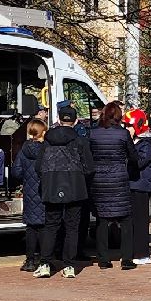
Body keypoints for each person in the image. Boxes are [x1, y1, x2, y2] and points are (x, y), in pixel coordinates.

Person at [37, 102, 94, 278]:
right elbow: (89, 167)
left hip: (51, 185)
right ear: (76, 120)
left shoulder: (47, 140)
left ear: (58, 120)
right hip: (75, 186)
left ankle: (45, 263)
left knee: (51, 226)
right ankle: (69, 265)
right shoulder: (80, 141)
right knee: (72, 227)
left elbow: (38, 166)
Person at [86, 102, 137, 269]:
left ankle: (103, 259)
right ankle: (127, 259)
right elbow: (133, 156)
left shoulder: (92, 133)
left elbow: (88, 155)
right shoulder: (123, 134)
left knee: (102, 220)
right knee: (126, 220)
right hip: (119, 178)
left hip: (99, 180)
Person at [123, 109, 151, 267]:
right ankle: (130, 251)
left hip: (140, 186)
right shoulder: (133, 141)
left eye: (128, 126)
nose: (125, 129)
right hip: (129, 185)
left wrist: (128, 147)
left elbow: (139, 163)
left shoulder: (146, 143)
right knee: (129, 221)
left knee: (141, 221)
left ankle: (142, 253)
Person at [16, 118, 48, 274]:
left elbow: (16, 171)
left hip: (29, 191)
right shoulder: (46, 149)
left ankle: (30, 260)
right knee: (44, 226)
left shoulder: (24, 150)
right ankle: (44, 260)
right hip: (44, 190)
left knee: (31, 227)